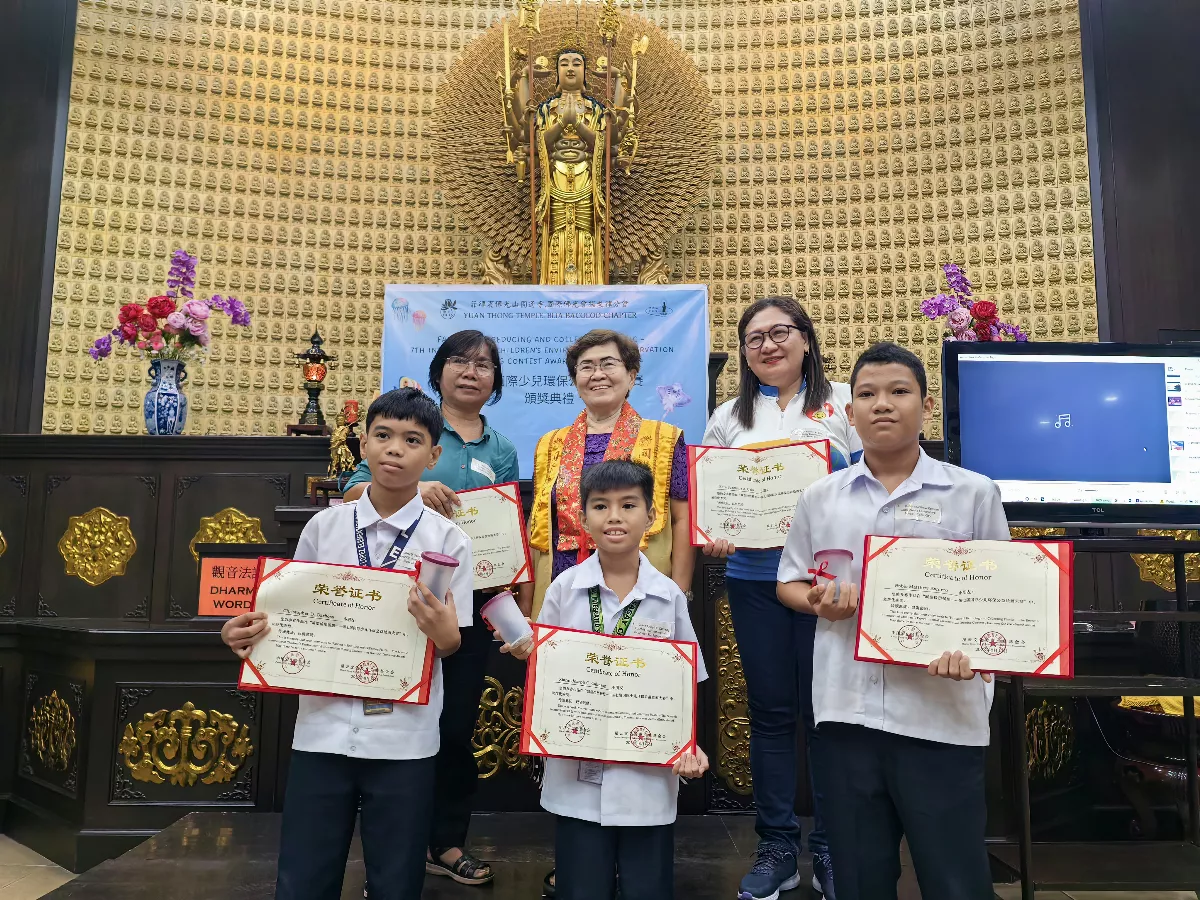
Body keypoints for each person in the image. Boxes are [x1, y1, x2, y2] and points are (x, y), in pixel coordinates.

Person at [776, 343, 1010, 900]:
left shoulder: (973, 493)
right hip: (846, 714)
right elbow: (788, 581)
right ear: (849, 412)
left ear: (926, 405)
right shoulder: (820, 497)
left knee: (956, 879)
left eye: (898, 392)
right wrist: (818, 603)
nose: (882, 405)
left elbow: (1001, 597)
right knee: (859, 878)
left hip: (940, 714)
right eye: (867, 394)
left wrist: (973, 650)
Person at [221, 388, 473, 900]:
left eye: (411, 440)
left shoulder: (449, 541)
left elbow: (452, 641)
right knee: (305, 874)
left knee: (396, 877)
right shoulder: (324, 527)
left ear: (434, 456)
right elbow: (287, 617)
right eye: (382, 436)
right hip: (323, 730)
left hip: (406, 738)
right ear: (363, 445)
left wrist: (447, 639)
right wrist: (245, 636)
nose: (394, 449)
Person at [342, 330, 518, 886]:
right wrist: (419, 494)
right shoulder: (406, 429)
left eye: (484, 364)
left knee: (455, 727)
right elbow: (350, 496)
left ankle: (445, 842)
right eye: (460, 362)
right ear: (439, 371)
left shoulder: (502, 449)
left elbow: (508, 532)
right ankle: (394, 848)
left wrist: (513, 605)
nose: (471, 371)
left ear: (495, 381)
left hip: (464, 609)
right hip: (390, 609)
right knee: (396, 723)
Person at [701, 296, 859, 900]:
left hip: (828, 584)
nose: (767, 345)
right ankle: (776, 846)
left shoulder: (844, 401)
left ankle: (830, 849)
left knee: (825, 716)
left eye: (779, 333)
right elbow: (712, 496)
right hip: (755, 579)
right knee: (770, 713)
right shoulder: (728, 417)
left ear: (806, 339)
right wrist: (713, 535)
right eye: (754, 338)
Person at [505, 460, 709, 900]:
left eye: (628, 505)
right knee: (582, 886)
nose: (614, 516)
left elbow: (686, 679)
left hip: (647, 772)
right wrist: (532, 654)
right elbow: (551, 671)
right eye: (601, 506)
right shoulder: (564, 587)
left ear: (651, 516)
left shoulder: (668, 595)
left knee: (646, 887)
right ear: (582, 518)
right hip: (577, 770)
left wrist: (688, 743)